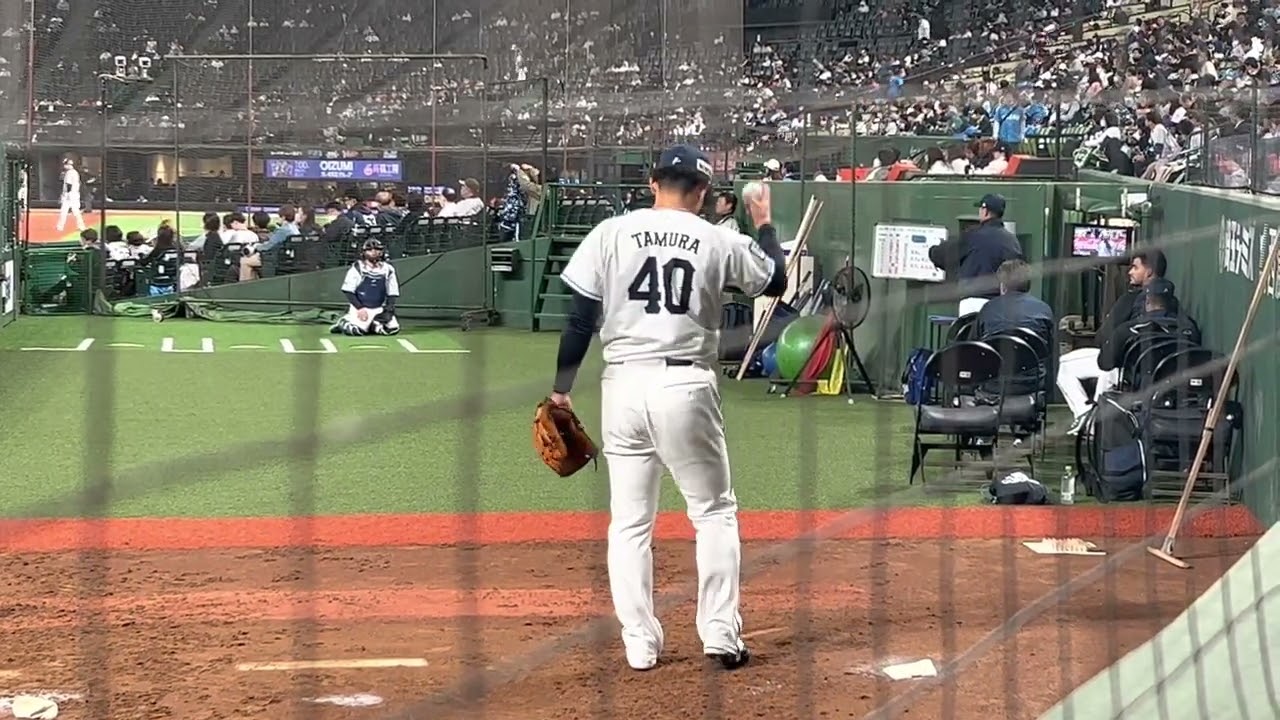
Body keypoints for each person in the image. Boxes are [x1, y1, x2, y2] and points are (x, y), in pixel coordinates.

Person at [551, 144, 786, 672]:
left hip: (622, 386)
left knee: (630, 523)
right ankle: (720, 634)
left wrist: (561, 390)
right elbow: (776, 279)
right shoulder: (718, 238)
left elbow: (580, 320)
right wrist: (764, 223)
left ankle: (639, 642)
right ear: (702, 192)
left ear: (652, 184)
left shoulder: (611, 232)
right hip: (686, 384)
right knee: (713, 512)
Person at [1056, 248, 1175, 434]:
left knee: (1065, 365)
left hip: (1124, 364)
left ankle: (1087, 418)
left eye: (1135, 267)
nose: (1130, 272)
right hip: (1159, 369)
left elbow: (1104, 340)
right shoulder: (1174, 304)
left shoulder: (1131, 299)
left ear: (1149, 272)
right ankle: (1092, 421)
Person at [928, 193, 1023, 315]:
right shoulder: (1012, 241)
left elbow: (942, 255)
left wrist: (932, 251)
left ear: (985, 211)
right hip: (1002, 303)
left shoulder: (973, 236)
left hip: (973, 302)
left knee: (970, 327)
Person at [331, 238, 400, 336]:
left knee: (392, 329)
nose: (374, 252)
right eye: (370, 250)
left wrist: (388, 310)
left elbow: (392, 292)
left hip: (379, 307)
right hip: (361, 308)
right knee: (356, 331)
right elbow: (348, 291)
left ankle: (373, 325)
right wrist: (359, 308)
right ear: (364, 252)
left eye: (377, 249)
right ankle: (344, 322)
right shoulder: (357, 268)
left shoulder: (388, 269)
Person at [975, 259, 1055, 342]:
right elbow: (1052, 345)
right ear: (1028, 286)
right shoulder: (1044, 310)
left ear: (1003, 286)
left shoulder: (988, 309)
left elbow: (974, 344)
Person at [57, 158, 87, 233]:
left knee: (64, 210)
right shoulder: (75, 172)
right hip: (75, 194)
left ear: (68, 165)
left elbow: (69, 185)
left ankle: (60, 226)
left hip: (69, 195)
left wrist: (65, 195)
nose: (64, 166)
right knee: (76, 211)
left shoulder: (69, 173)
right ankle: (81, 226)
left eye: (65, 164)